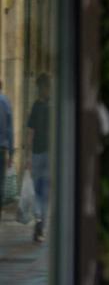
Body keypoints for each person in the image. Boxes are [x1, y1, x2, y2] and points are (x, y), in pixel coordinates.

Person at [23, 78, 49, 243]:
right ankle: (41, 227)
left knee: (38, 190)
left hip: (37, 154)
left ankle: (38, 217)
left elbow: (30, 133)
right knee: (45, 192)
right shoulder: (52, 106)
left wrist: (27, 155)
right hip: (49, 154)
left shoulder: (35, 106)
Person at [0, 78, 12, 208]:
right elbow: (10, 129)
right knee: (1, 182)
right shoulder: (6, 102)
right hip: (2, 149)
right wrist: (12, 153)